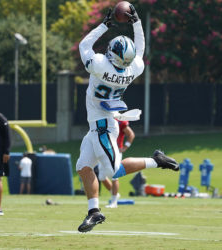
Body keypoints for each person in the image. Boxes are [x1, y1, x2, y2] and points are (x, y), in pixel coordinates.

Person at [76, 5, 179, 233]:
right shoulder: (133, 69)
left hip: (103, 125)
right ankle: (94, 212)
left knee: (113, 172)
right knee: (83, 167)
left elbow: (84, 45)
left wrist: (104, 25)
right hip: (99, 123)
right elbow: (140, 50)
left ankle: (157, 161)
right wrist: (137, 22)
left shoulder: (100, 66)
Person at [100, 119, 135, 208]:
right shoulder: (104, 118)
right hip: (105, 150)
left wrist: (125, 147)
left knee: (114, 175)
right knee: (101, 176)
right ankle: (114, 193)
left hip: (115, 151)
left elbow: (131, 134)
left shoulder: (120, 121)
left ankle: (114, 202)